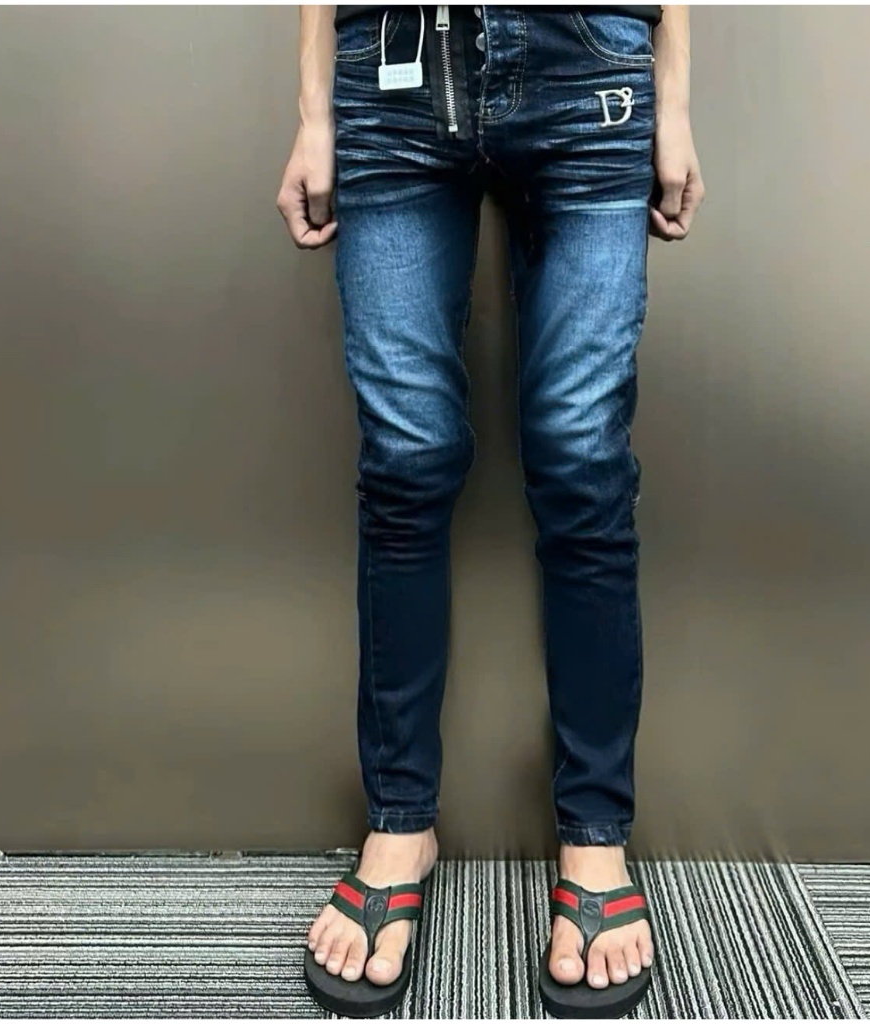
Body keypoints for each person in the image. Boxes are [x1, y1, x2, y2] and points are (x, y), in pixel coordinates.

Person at [277, 4, 704, 1017]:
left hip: (587, 65)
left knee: (583, 462)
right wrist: (313, 110)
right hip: (391, 64)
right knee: (405, 461)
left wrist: (675, 99)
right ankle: (399, 821)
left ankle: (594, 835)